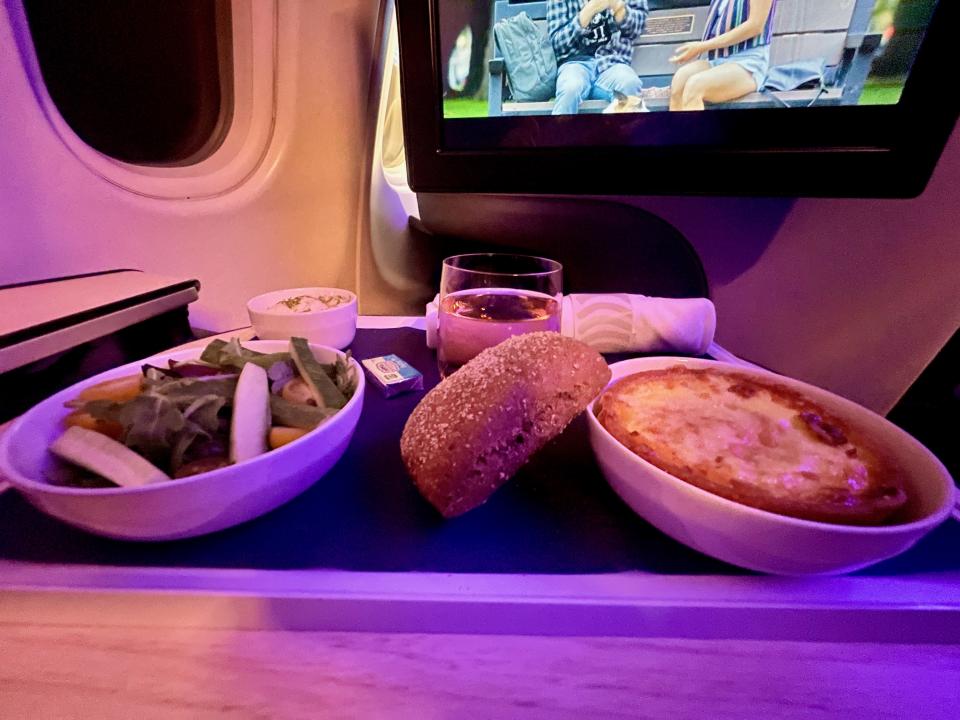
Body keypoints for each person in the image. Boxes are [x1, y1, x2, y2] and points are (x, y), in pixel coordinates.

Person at [669, 0, 777, 111]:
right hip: (718, 58)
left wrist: (701, 47)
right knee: (679, 80)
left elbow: (755, 26)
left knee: (695, 86)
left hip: (749, 63)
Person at [547, 0, 649, 115]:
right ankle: (558, 133)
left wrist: (619, 9)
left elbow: (638, 28)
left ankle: (623, 132)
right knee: (570, 88)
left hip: (611, 62)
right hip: (574, 64)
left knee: (629, 83)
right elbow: (556, 45)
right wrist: (587, 12)